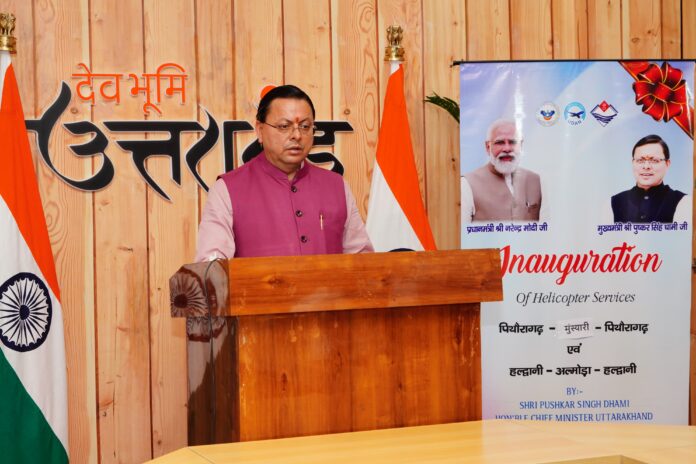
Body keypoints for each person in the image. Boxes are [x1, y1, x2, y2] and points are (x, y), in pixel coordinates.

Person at [195, 85, 373, 261]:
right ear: (260, 130)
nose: (297, 135)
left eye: (305, 126)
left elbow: (364, 262)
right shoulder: (227, 190)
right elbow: (211, 267)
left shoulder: (336, 186)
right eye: (284, 126)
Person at [461, 119, 542, 223]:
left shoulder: (537, 181)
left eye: (513, 142)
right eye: (499, 142)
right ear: (488, 147)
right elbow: (462, 230)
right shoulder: (467, 184)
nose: (507, 149)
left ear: (521, 146)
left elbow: (548, 228)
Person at [610, 134, 690, 223]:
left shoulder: (684, 202)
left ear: (667, 164)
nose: (646, 166)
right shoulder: (613, 203)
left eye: (654, 160)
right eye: (640, 160)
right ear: (633, 163)